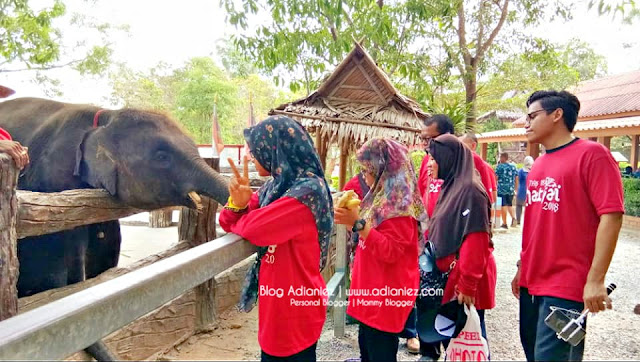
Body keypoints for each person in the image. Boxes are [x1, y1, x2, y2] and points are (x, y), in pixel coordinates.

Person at [512, 90, 624, 361]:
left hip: (565, 286)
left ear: (557, 115)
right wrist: (521, 268)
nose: (526, 123)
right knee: (533, 354)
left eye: (533, 116)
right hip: (531, 283)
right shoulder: (538, 164)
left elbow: (612, 215)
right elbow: (537, 224)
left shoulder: (593, 155)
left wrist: (595, 280)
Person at [219, 116, 333, 362]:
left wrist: (244, 213)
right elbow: (228, 223)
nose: (250, 156)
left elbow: (255, 229)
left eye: (255, 148)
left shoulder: (308, 193)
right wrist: (236, 205)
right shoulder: (276, 187)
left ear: (275, 148)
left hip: (294, 312)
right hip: (277, 308)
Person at [335, 138, 424, 362]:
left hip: (385, 297)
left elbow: (391, 251)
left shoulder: (399, 208)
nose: (364, 176)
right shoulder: (380, 199)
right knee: (367, 346)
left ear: (384, 170)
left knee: (380, 351)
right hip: (372, 293)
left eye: (368, 170)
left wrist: (358, 225)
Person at [418, 134, 496, 359]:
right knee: (456, 340)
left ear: (448, 158)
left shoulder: (470, 191)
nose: (429, 165)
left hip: (463, 281)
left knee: (469, 339)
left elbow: (476, 239)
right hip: (450, 279)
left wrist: (468, 284)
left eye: (434, 159)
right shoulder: (452, 185)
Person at [459, 133, 497, 205]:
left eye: (461, 145)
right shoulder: (487, 166)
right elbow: (493, 196)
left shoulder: (469, 158)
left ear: (473, 145)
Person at [495, 152, 517, 228]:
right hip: (511, 189)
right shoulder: (513, 167)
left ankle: (504, 223)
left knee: (503, 205)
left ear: (503, 158)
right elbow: (516, 177)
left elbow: (496, 178)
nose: (500, 159)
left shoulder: (499, 167)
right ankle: (513, 218)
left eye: (501, 157)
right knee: (510, 204)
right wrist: (515, 188)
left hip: (502, 189)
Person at [515, 156, 534, 225]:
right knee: (529, 207)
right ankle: (528, 220)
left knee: (519, 206)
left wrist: (516, 189)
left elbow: (517, 179)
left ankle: (518, 220)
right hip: (530, 191)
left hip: (521, 190)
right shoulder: (533, 171)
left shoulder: (520, 171)